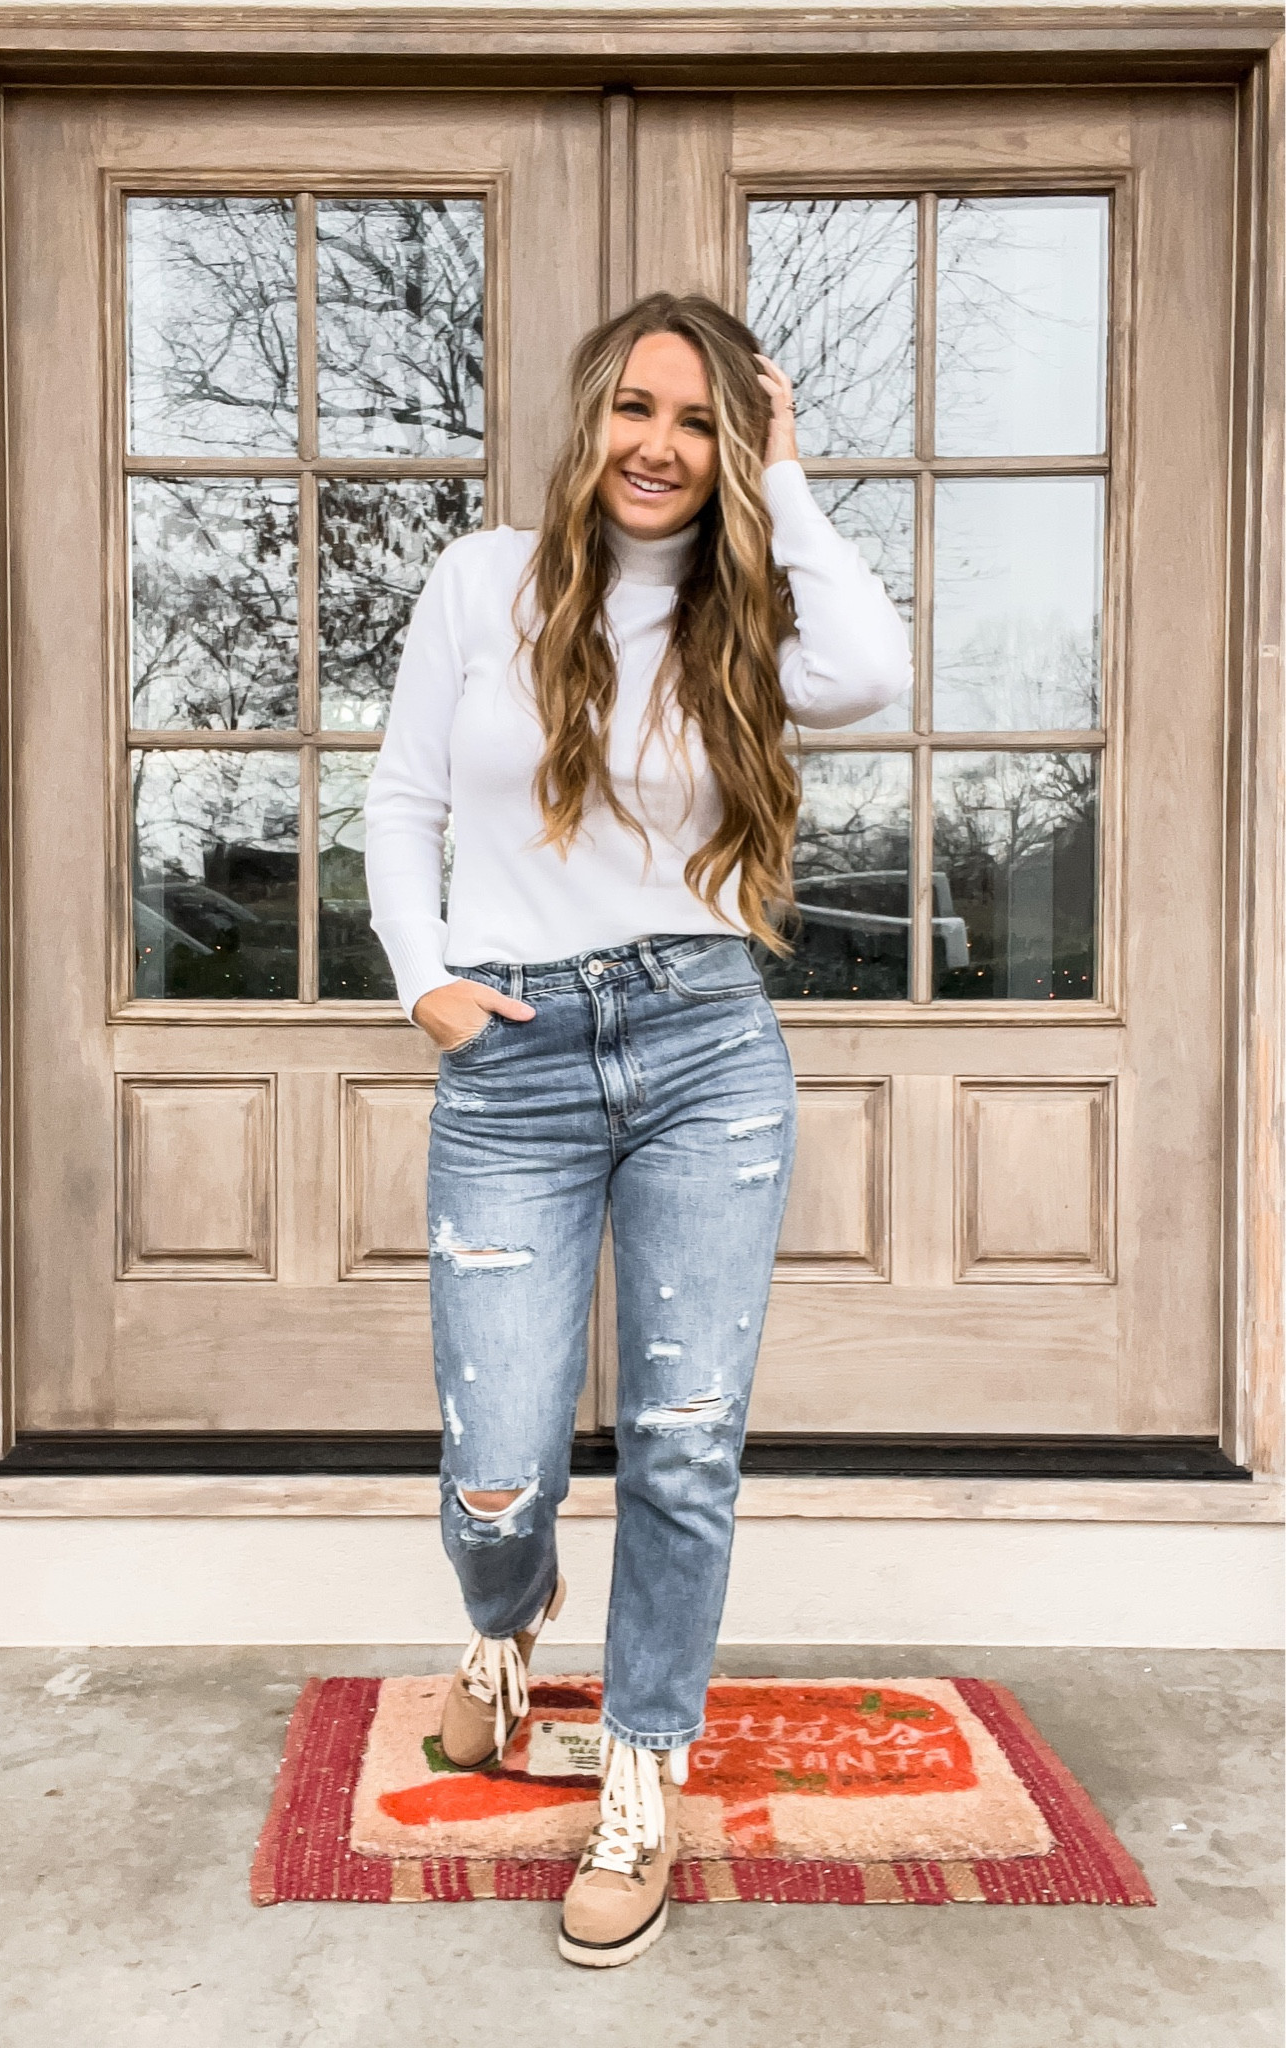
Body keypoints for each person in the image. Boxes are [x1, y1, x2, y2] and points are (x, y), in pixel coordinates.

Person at [364, 291, 911, 1967]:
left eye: (699, 421)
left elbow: (875, 675)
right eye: (638, 409)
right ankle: (506, 1625)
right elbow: (398, 798)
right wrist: (426, 984)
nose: (660, 446)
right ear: (590, 413)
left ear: (728, 447)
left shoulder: (749, 617)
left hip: (702, 1046)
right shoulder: (485, 582)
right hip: (514, 1058)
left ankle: (641, 1770)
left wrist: (793, 476)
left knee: (681, 1440)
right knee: (500, 1465)